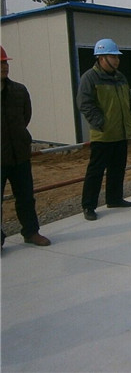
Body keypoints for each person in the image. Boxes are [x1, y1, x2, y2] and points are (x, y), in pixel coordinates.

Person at [77, 38, 131, 221]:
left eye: (117, 57)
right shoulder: (90, 78)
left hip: (120, 133)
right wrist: (100, 122)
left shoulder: (120, 77)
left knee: (118, 168)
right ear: (101, 58)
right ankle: (89, 205)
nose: (117, 60)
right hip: (103, 135)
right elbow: (85, 103)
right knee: (95, 172)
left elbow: (129, 99)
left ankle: (114, 198)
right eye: (113, 56)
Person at [1, 46, 51, 248]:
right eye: (0, 63)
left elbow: (25, 116)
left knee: (26, 197)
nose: (4, 67)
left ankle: (31, 232)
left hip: (19, 153)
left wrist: (19, 137)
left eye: (5, 62)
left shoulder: (19, 91)